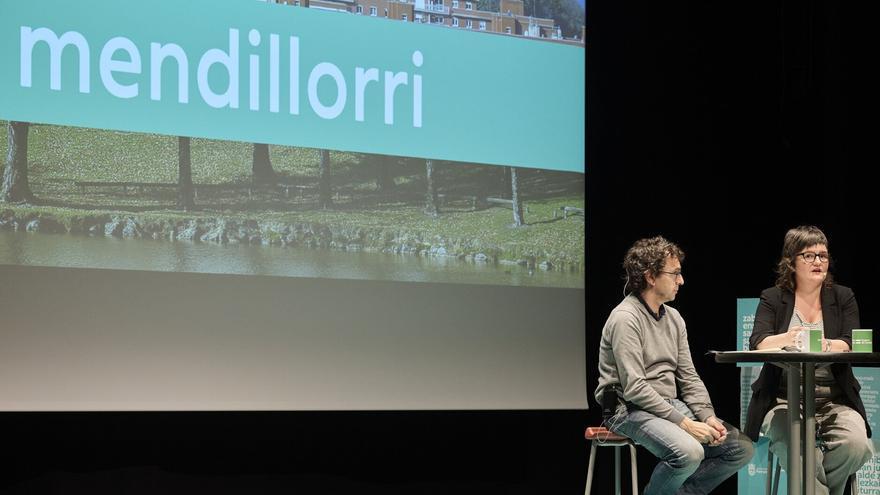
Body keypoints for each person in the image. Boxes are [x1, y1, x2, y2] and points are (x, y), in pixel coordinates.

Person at [595, 236, 754, 494]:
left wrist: (707, 416)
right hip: (626, 409)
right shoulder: (626, 318)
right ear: (650, 276)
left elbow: (689, 377)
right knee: (689, 453)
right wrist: (687, 424)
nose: (681, 281)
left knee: (740, 448)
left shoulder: (675, 318)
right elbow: (635, 387)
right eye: (675, 273)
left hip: (667, 405)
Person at [746, 225, 873, 495]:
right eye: (809, 255)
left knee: (857, 445)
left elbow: (849, 341)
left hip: (834, 398)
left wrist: (825, 344)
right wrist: (792, 336)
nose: (818, 261)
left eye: (823, 256)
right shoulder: (773, 298)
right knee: (797, 446)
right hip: (783, 398)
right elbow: (758, 341)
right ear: (791, 261)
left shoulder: (843, 296)